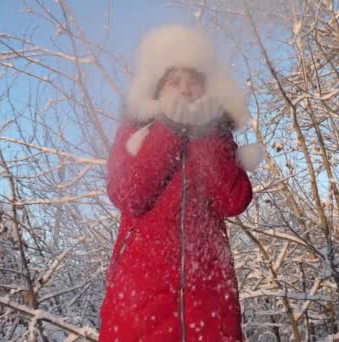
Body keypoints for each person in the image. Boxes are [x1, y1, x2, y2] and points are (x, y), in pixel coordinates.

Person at [99, 24, 262, 342]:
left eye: (192, 82)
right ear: (157, 89)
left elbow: (235, 200)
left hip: (211, 300)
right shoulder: (136, 129)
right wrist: (170, 131)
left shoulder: (217, 135)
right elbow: (128, 194)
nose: (185, 89)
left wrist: (206, 135)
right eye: (174, 81)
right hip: (141, 301)